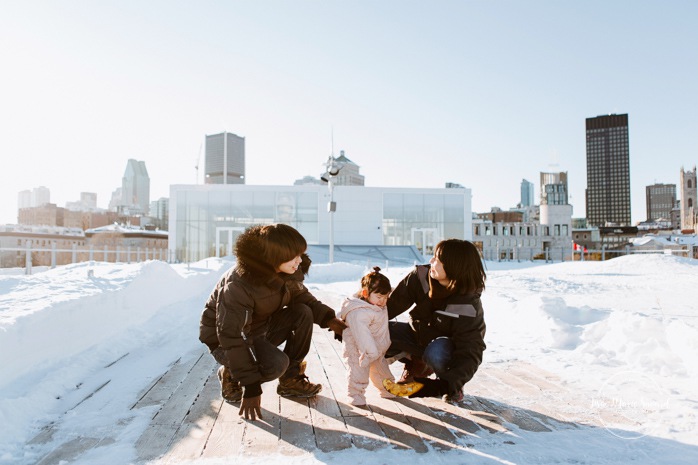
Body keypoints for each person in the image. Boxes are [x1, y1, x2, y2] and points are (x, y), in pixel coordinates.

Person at [199, 224, 347, 421]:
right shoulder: (238, 285)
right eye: (294, 256)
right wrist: (251, 386)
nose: (300, 260)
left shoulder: (284, 272)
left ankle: (290, 380)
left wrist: (331, 320)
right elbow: (231, 336)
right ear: (275, 255)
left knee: (303, 312)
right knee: (276, 364)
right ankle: (231, 374)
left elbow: (304, 299)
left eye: (300, 254)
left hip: (259, 328)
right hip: (225, 341)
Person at [382, 239, 486, 403]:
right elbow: (389, 307)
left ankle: (451, 383)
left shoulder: (467, 304)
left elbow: (470, 351)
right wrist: (357, 322)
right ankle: (416, 365)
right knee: (378, 331)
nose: (431, 261)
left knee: (436, 351)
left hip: (444, 349)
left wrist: (446, 384)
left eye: (437, 259)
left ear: (454, 266)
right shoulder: (421, 277)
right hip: (416, 335)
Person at [337, 267, 396, 406]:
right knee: (358, 372)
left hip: (376, 349)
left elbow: (382, 288)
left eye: (386, 297)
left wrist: (374, 274)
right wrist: (370, 352)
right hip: (360, 351)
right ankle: (355, 394)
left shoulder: (374, 302)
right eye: (379, 297)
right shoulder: (358, 312)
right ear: (365, 293)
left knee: (381, 371)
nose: (383, 301)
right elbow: (362, 335)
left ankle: (388, 389)